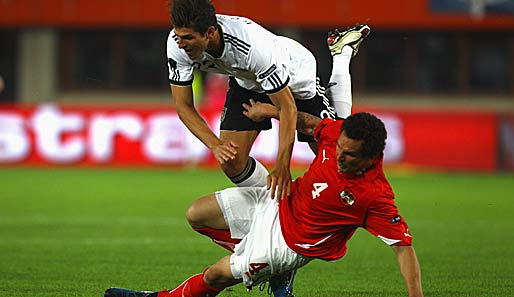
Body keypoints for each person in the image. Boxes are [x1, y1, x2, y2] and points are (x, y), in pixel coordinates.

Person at [103, 112, 424, 297]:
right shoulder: (341, 135)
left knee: (215, 276)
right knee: (197, 214)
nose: (340, 155)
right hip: (279, 199)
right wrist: (268, 110)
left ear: (370, 157)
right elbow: (311, 125)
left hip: (287, 244)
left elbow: (402, 248)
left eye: (350, 154)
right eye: (340, 147)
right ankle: (275, 276)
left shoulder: (375, 195)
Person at [166, 0, 370, 201]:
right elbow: (183, 106)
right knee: (232, 161)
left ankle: (342, 54)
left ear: (210, 33)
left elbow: (287, 107)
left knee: (338, 159)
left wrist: (282, 166)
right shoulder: (177, 44)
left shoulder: (252, 47)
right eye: (178, 36)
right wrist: (214, 145)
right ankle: (280, 206)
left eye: (188, 38)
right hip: (248, 80)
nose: (181, 44)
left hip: (294, 76)